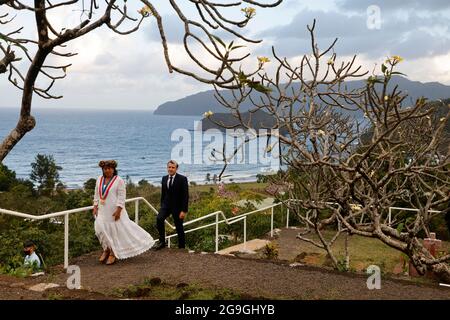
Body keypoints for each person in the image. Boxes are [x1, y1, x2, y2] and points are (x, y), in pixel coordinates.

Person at [93, 160, 155, 265]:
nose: (107, 170)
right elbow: (96, 194)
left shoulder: (119, 180)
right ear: (102, 169)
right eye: (105, 169)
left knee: (114, 232)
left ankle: (113, 252)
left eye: (109, 168)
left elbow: (122, 197)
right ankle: (106, 249)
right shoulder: (99, 179)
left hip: (114, 211)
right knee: (100, 230)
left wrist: (118, 210)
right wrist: (95, 206)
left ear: (113, 169)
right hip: (102, 210)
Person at [155, 160, 189, 250]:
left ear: (176, 168)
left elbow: (186, 196)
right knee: (159, 219)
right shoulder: (164, 178)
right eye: (169, 167)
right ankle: (162, 242)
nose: (170, 169)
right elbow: (163, 193)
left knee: (179, 227)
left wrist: (184, 210)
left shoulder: (182, 179)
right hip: (166, 206)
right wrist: (162, 205)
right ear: (167, 168)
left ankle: (181, 247)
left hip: (177, 207)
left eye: (173, 167)